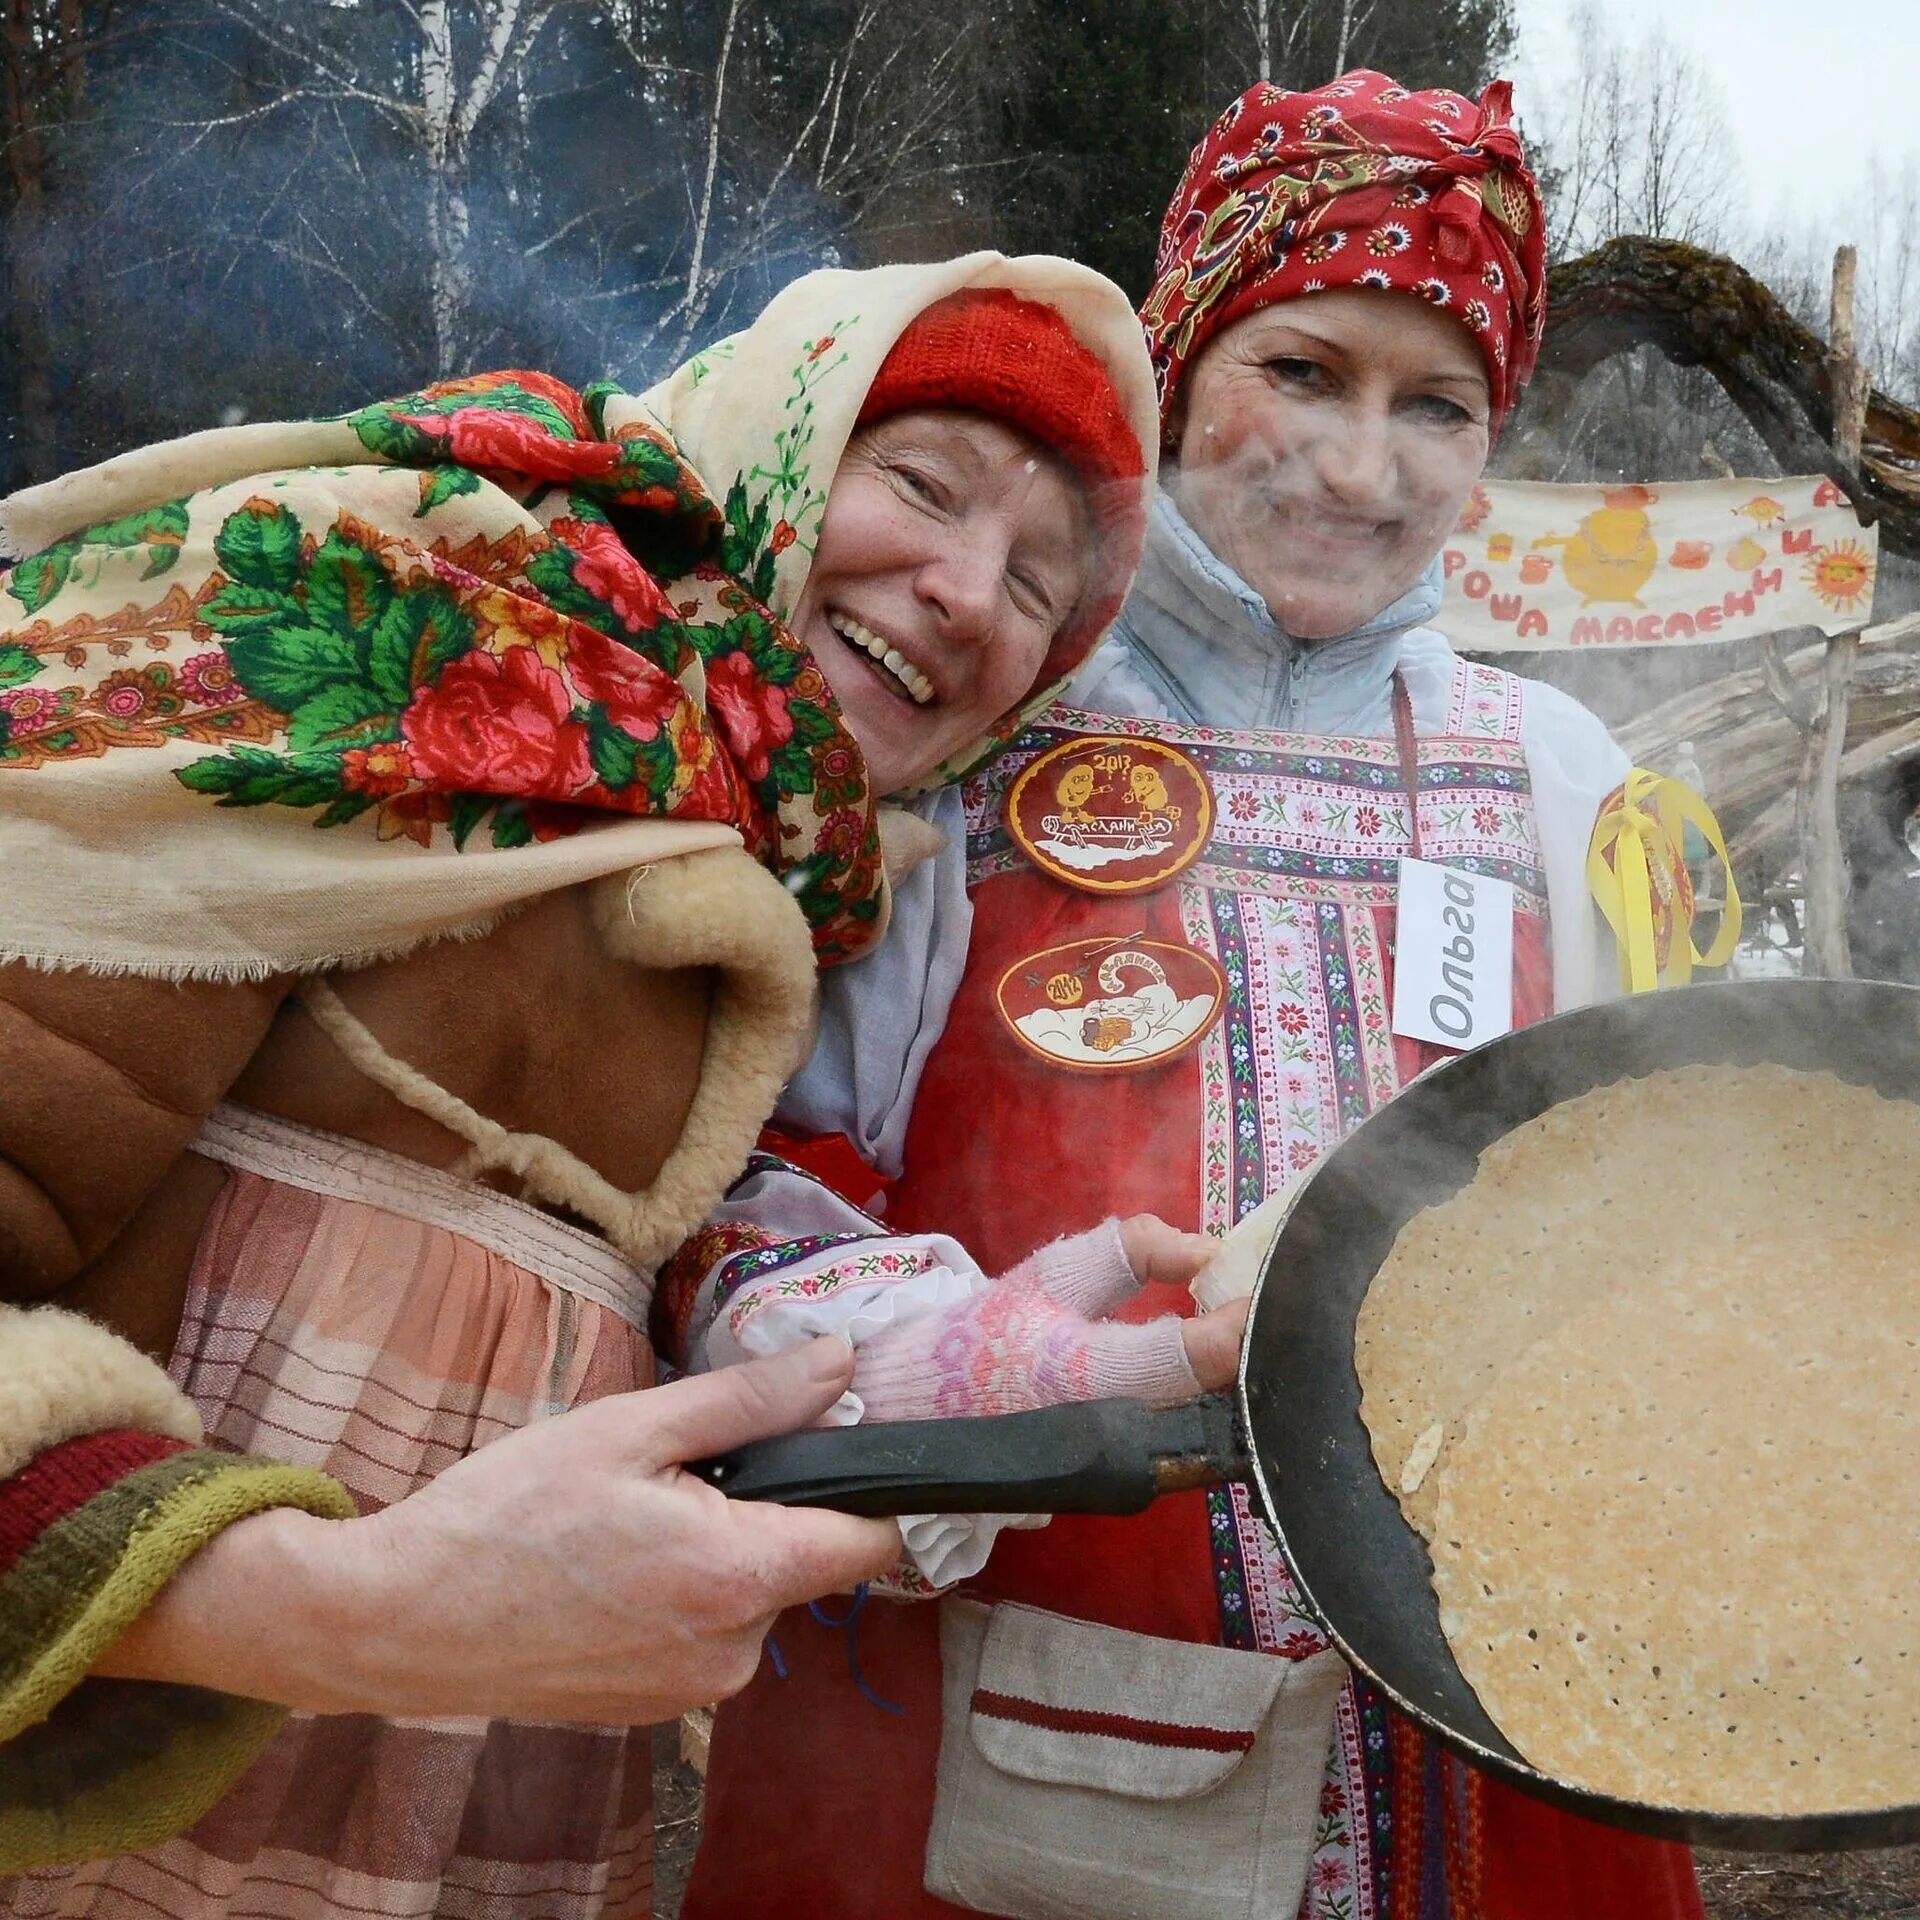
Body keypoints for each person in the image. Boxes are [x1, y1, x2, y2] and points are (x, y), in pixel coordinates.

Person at [0, 254, 1194, 1914]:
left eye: (1042, 594)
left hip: (475, 1807)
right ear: (775, 439)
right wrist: (347, 1606)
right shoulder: (405, 620)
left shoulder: (793, 886)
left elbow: (703, 1298)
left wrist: (1059, 1362)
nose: (975, 596)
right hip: (101, 1801)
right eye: (923, 483)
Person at [673, 73, 1708, 1920]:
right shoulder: (979, 701)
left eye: (1438, 406)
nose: (1360, 468)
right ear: (1181, 350)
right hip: (998, 1741)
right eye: (1301, 370)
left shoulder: (1565, 775)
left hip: (1508, 1757)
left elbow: (1674, 1197)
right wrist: (1014, 1370)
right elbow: (739, 1185)